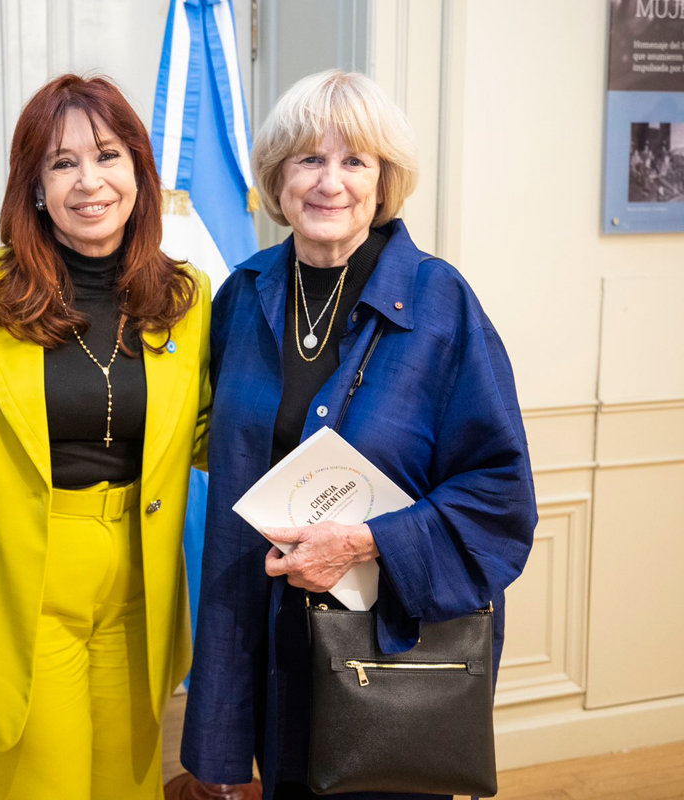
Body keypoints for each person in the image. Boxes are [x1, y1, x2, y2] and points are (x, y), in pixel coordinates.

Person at [180, 69, 537, 800]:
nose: (329, 182)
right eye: (309, 158)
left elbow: (500, 493)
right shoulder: (242, 296)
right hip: (272, 637)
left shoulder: (441, 302)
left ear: (384, 181)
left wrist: (366, 542)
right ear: (278, 176)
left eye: (354, 161)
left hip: (388, 651)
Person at [0, 74, 210, 800]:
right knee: (38, 783)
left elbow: (206, 430)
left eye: (108, 156)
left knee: (127, 782)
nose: (90, 181)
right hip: (24, 579)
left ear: (139, 173)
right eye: (62, 162)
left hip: (140, 579)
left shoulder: (185, 297)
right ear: (35, 186)